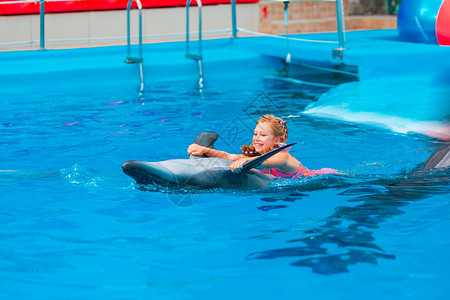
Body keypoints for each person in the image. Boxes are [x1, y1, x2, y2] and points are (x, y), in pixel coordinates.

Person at [187, 114, 338, 178]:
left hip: (326, 177)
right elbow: (229, 156)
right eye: (255, 134)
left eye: (263, 135)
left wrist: (244, 161)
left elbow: (263, 163)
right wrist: (205, 150)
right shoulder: (256, 155)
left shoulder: (283, 157)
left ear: (276, 140)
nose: (257, 139)